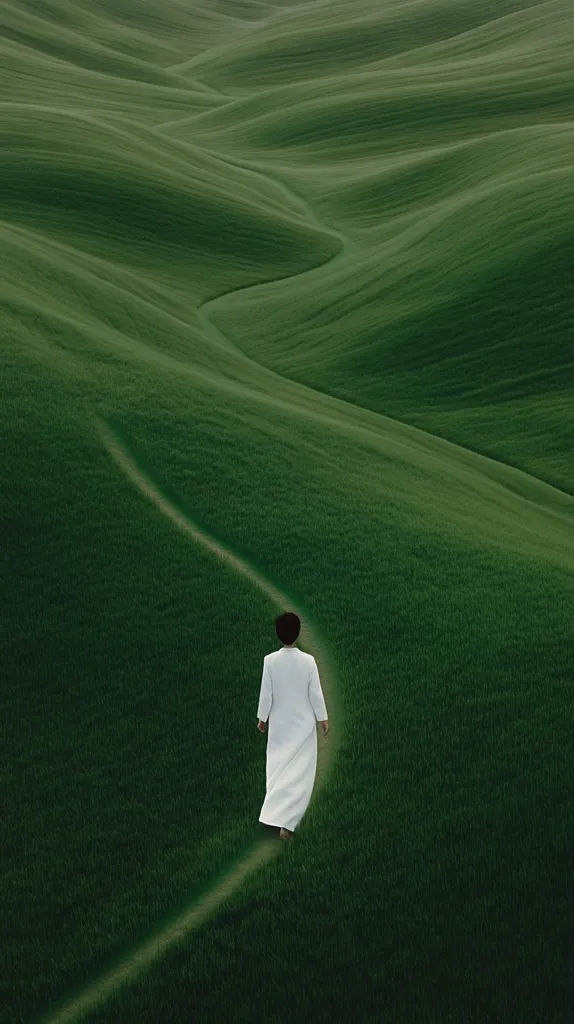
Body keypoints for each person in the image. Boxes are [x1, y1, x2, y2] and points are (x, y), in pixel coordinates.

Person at [257, 611, 329, 840]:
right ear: (298, 634)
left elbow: (266, 694)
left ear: (278, 635)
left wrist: (262, 718)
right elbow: (315, 693)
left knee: (277, 769)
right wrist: (323, 718)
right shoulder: (308, 662)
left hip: (280, 724)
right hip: (303, 726)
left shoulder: (270, 661)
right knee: (301, 774)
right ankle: (288, 823)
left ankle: (274, 814)